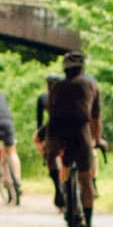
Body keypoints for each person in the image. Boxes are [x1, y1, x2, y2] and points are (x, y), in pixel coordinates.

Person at [42, 51, 103, 227]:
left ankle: (60, 191)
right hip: (80, 131)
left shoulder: (56, 87)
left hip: (57, 131)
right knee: (86, 179)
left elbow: (51, 114)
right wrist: (98, 140)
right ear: (82, 68)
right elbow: (95, 118)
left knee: (53, 158)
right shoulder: (91, 85)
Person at [34, 71, 63, 209]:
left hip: (51, 128)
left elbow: (39, 121)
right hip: (70, 126)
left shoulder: (43, 97)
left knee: (37, 140)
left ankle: (46, 156)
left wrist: (40, 133)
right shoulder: (68, 95)